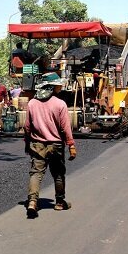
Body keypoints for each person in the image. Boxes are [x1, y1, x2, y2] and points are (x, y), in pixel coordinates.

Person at [24, 76, 76, 218]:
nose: (60, 87)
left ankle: (32, 203)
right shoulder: (60, 104)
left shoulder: (32, 103)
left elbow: (27, 127)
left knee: (36, 173)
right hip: (56, 145)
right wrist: (71, 145)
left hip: (37, 144)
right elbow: (65, 128)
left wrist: (27, 143)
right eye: (58, 85)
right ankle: (59, 202)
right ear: (52, 87)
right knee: (58, 173)